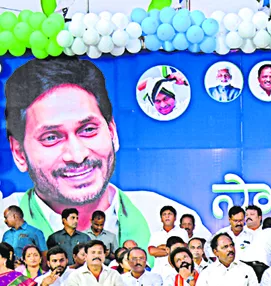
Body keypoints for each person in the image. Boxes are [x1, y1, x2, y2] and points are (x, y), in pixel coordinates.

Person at [0, 58, 210, 257]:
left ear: (113, 133)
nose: (78, 155)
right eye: (51, 137)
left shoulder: (168, 217)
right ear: (18, 152)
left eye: (88, 129)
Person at [148, 206, 190, 273]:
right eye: (164, 214)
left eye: (170, 214)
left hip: (177, 270)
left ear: (175, 218)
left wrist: (161, 248)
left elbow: (185, 248)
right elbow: (151, 251)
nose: (167, 216)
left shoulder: (182, 232)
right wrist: (173, 250)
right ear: (161, 219)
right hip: (159, 271)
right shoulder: (155, 234)